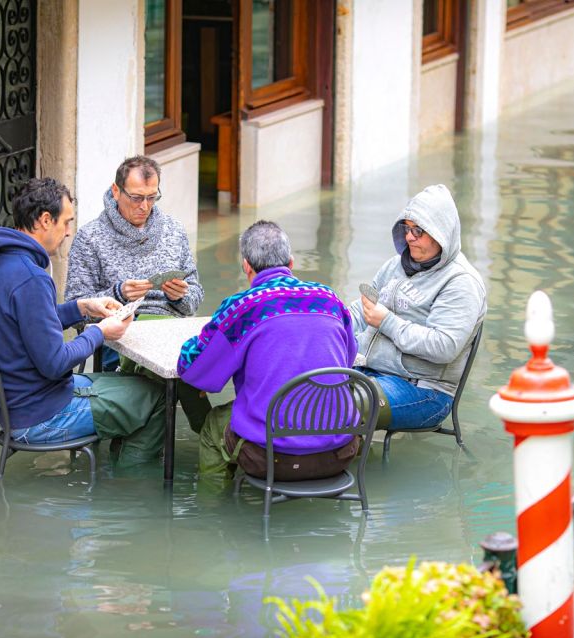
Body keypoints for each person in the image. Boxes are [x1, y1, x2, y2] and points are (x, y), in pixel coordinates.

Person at [0, 177, 165, 466]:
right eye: (66, 222)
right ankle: (128, 488)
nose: (68, 232)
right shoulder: (31, 278)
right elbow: (54, 362)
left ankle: (116, 462)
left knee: (135, 384)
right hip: (40, 417)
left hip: (16, 404)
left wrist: (81, 307)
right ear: (45, 220)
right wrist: (101, 332)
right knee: (157, 394)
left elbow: (28, 324)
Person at [177, 221, 361, 481]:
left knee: (213, 427)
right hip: (340, 451)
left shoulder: (241, 308)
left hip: (271, 458)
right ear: (291, 262)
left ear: (246, 266)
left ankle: (215, 516)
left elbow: (196, 371)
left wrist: (190, 343)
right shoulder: (330, 299)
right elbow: (348, 360)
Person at [64, 155, 210, 432]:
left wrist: (180, 295)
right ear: (116, 191)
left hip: (170, 329)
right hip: (117, 337)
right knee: (186, 359)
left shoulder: (173, 230)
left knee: (194, 351)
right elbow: (74, 309)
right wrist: (117, 293)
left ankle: (150, 450)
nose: (144, 206)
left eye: (152, 197)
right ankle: (208, 429)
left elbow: (195, 298)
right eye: (136, 197)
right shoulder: (90, 237)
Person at [351, 184, 486, 433]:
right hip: (369, 369)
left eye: (419, 231)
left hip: (425, 391)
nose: (409, 237)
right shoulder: (395, 266)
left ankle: (340, 463)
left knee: (345, 404)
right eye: (407, 228)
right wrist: (327, 319)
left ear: (441, 234)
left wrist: (387, 322)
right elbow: (361, 311)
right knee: (307, 384)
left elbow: (443, 346)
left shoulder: (461, 282)